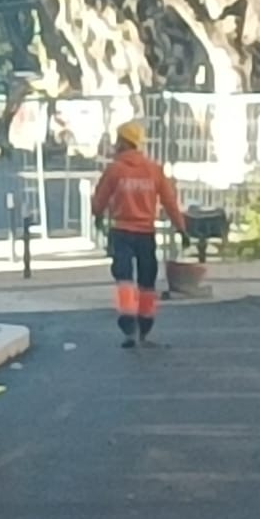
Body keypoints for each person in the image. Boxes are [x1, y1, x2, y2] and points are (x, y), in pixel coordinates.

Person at [91, 120, 186, 348]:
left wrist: (98, 216)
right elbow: (170, 202)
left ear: (123, 142)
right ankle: (145, 327)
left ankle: (128, 324)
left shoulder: (115, 169)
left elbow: (99, 200)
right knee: (147, 281)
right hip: (146, 233)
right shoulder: (153, 170)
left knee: (124, 277)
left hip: (121, 231)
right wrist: (181, 228)